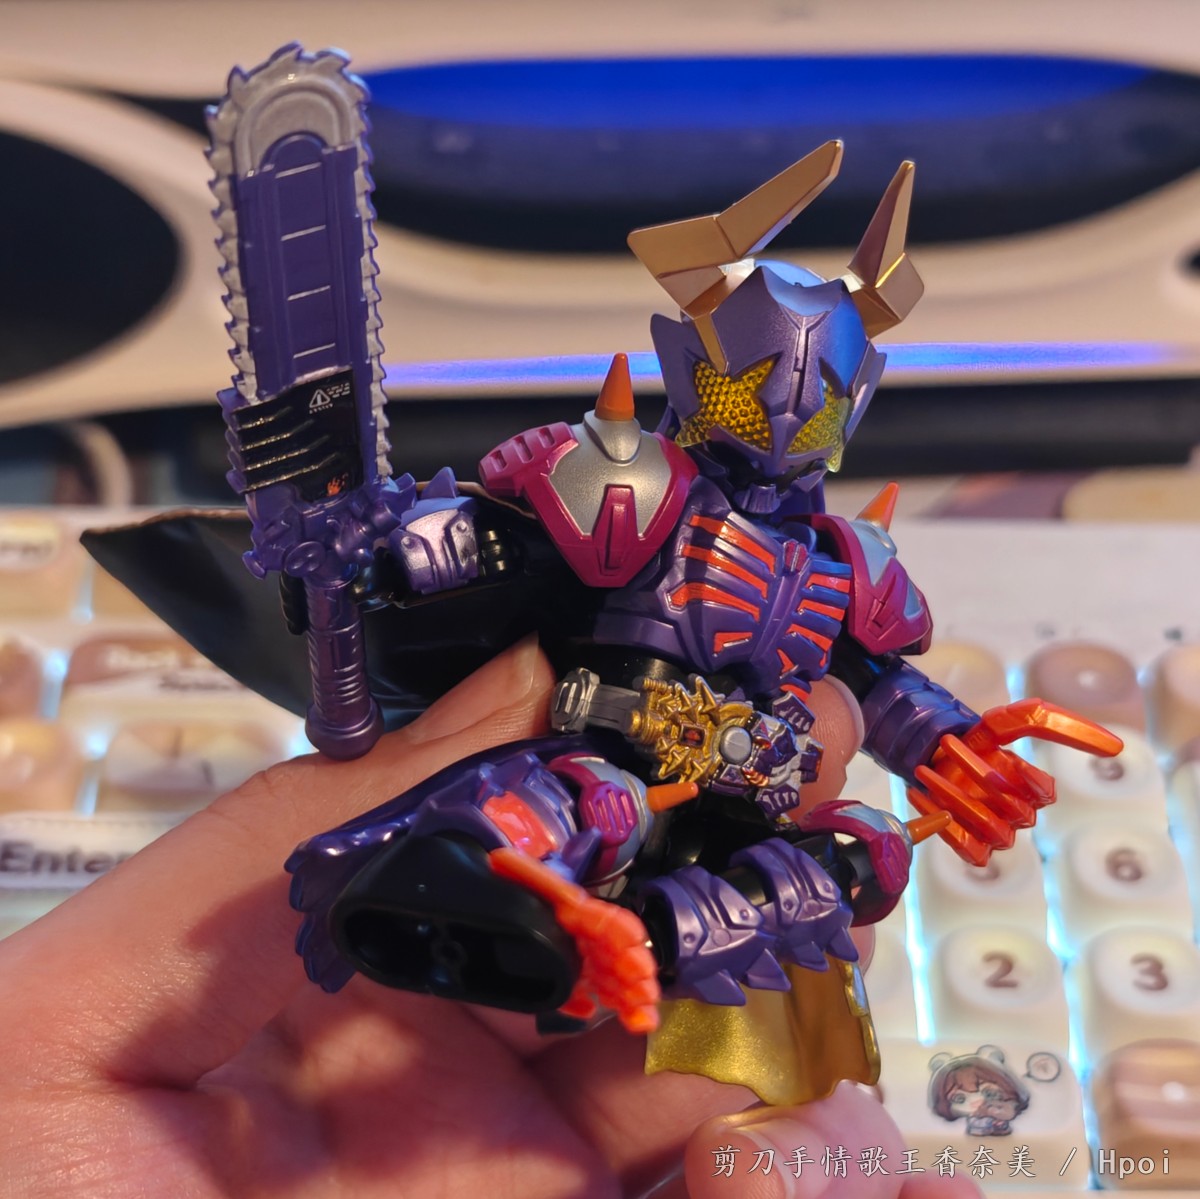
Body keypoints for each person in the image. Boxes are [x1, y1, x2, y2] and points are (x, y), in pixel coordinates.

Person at [0, 639, 982, 1198]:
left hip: (734, 802)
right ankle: (529, 890)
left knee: (859, 857)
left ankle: (642, 934)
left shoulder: (838, 563)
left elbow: (882, 682)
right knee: (577, 797)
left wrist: (953, 746)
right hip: (602, 759)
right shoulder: (629, 482)